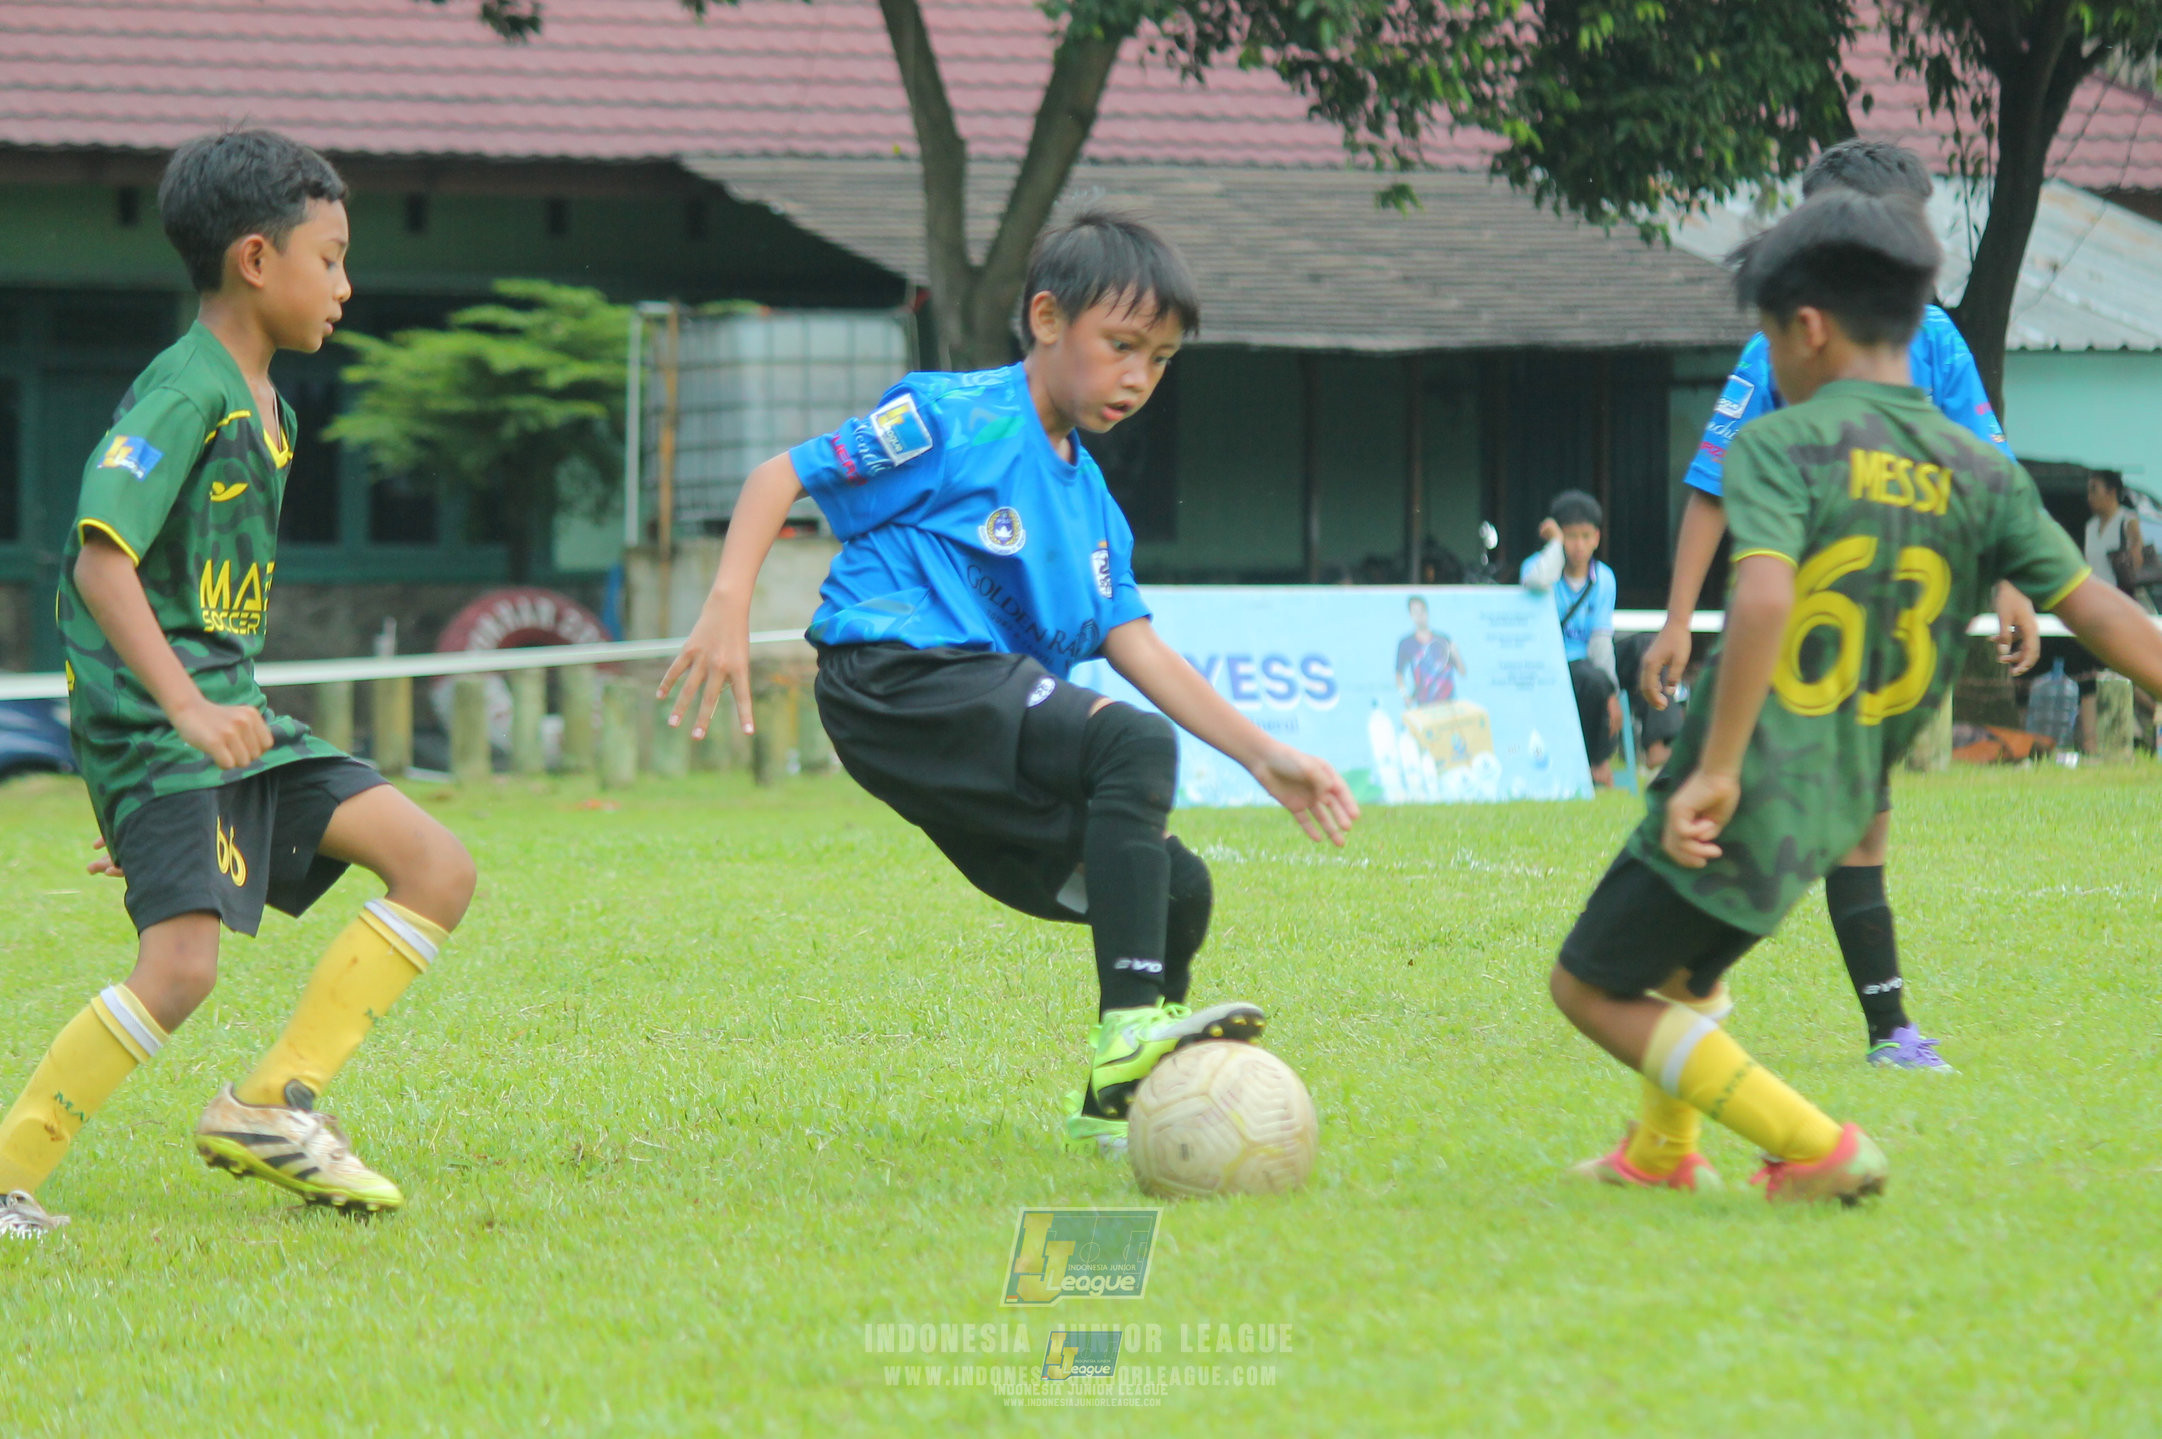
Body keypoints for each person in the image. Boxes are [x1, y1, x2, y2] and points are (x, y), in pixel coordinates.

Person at [658, 210, 1358, 1156]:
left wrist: (1269, 757)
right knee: (1133, 741)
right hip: (894, 675)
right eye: (1121, 347)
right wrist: (726, 606)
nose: (1138, 379)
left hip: (968, 725)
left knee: (1180, 890)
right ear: (1044, 319)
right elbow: (782, 474)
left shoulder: (1095, 509)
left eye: (1160, 360)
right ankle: (1127, 1035)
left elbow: (1137, 647)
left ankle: (1116, 1110)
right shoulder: (951, 418)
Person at [1553, 186, 2162, 1204]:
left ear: (1805, 326)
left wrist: (1709, 768)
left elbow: (1761, 598)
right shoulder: (1980, 471)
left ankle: (1812, 1143)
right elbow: (2094, 609)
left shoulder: (1779, 446)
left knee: (1586, 985)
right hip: (1844, 801)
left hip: (1744, 767)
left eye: (1764, 337)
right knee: (1688, 971)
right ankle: (1659, 1151)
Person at [0, 131, 477, 1239]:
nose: (347, 286)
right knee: (179, 968)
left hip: (233, 722)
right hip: (176, 721)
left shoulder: (272, 408)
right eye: (332, 257)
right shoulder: (186, 392)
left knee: (434, 865)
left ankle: (270, 1104)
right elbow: (99, 559)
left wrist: (202, 735)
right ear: (257, 259)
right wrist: (172, 723)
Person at [1637, 138, 2046, 1071]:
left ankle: (1872, 1024)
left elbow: (1990, 469)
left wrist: (2015, 583)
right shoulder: (1778, 341)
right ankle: (1675, 971)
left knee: (1850, 816)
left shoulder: (1936, 341)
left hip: (1880, 626)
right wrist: (1676, 618)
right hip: (1792, 620)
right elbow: (1712, 485)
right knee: (1782, 810)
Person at [1520, 491, 1621, 784]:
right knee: (1593, 678)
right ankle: (1596, 762)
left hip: (1591, 666)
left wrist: (1612, 690)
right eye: (1570, 536)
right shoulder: (1538, 567)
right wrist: (1554, 546)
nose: (1578, 545)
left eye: (1585, 536)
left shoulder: (1604, 579)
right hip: (1550, 664)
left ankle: (1659, 747)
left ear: (1597, 538)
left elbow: (1601, 641)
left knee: (1646, 649)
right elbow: (1538, 581)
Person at [1396, 596, 1468, 706]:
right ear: (1411, 615)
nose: (1420, 615)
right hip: (1424, 706)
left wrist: (1456, 654)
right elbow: (1399, 674)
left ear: (1427, 612)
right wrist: (1405, 695)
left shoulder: (1443, 639)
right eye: (1415, 612)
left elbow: (1462, 672)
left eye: (1422, 611)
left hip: (1449, 705)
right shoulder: (1406, 644)